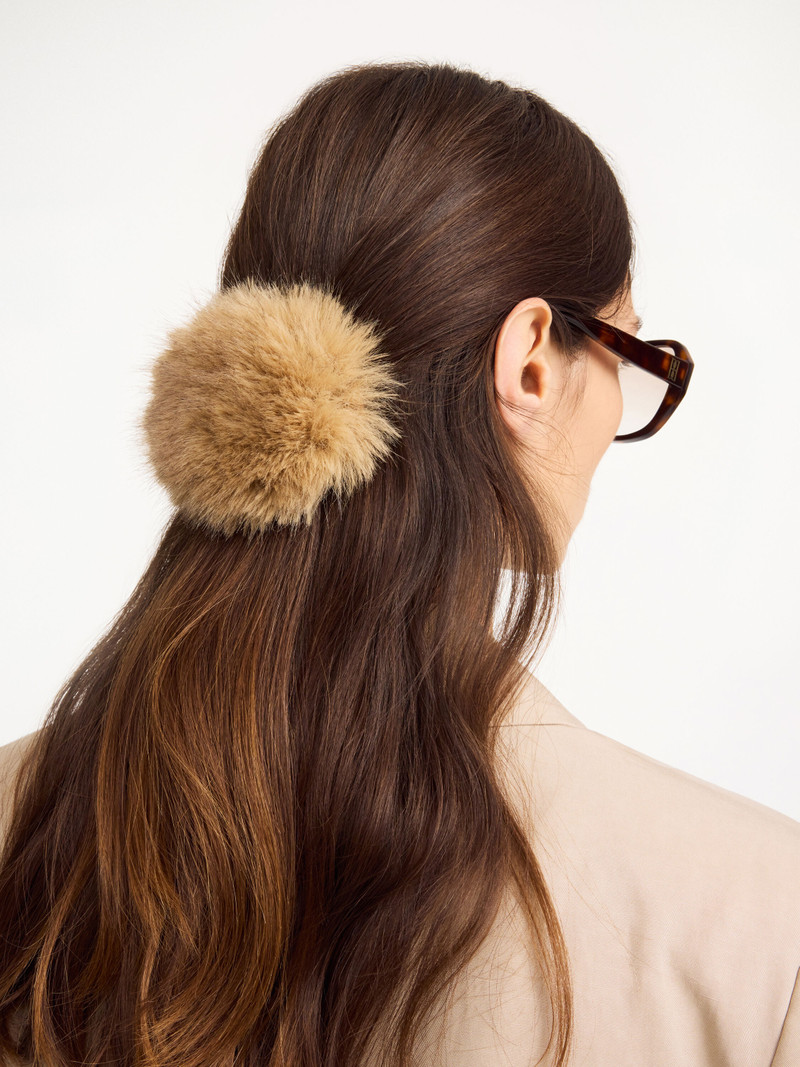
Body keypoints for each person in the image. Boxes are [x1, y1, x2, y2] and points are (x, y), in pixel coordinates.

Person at [0, 59, 797, 1067]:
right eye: (630, 355)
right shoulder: (761, 923)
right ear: (530, 361)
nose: (614, 414)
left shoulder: (23, 821)